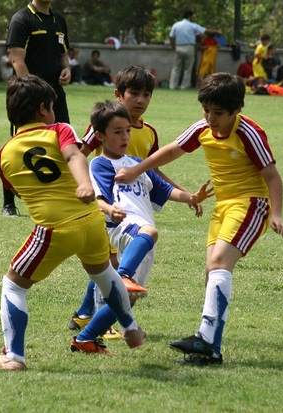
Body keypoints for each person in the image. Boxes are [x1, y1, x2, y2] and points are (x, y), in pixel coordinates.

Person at [115, 72, 283, 365]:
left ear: (237, 110)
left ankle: (205, 340)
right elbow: (171, 151)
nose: (210, 118)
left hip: (251, 204)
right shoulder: (202, 128)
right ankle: (211, 349)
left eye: (218, 113)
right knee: (212, 272)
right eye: (206, 110)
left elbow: (272, 176)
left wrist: (278, 213)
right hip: (223, 206)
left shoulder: (249, 133)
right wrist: (135, 170)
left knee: (219, 264)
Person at [0, 75, 145, 371]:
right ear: (44, 109)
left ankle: (13, 356)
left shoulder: (4, 153)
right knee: (105, 274)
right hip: (92, 222)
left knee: (13, 285)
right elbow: (73, 155)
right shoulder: (59, 130)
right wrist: (84, 187)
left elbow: (18, 189)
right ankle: (130, 326)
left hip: (55, 229)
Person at [70, 100, 213, 354]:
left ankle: (85, 338)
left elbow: (164, 190)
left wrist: (190, 197)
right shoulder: (100, 164)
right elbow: (97, 197)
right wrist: (109, 210)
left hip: (140, 237)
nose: (125, 136)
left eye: (127, 130)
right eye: (117, 132)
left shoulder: (137, 163)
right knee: (150, 233)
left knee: (128, 300)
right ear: (100, 135)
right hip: (122, 226)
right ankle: (123, 276)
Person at [2, 0, 72, 217]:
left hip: (56, 96)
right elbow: (16, 59)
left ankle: (61, 197)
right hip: (29, 97)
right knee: (20, 146)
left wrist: (67, 69)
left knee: (64, 144)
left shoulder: (58, 19)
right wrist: (33, 92)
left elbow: (63, 54)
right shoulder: (22, 19)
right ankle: (8, 204)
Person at [169, 9, 221, 90]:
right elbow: (206, 31)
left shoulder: (176, 25)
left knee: (176, 68)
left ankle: (172, 86)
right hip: (189, 48)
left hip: (178, 47)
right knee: (187, 68)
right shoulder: (193, 25)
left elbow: (171, 36)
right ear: (190, 16)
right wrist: (217, 32)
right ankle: (184, 86)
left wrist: (173, 46)